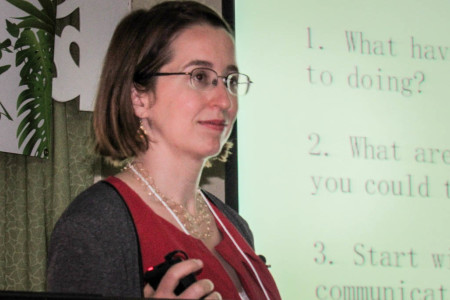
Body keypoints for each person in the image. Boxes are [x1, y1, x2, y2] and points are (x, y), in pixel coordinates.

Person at [46, 1, 281, 299]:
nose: (224, 100)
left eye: (231, 81)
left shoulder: (234, 225)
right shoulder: (96, 226)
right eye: (199, 76)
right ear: (139, 98)